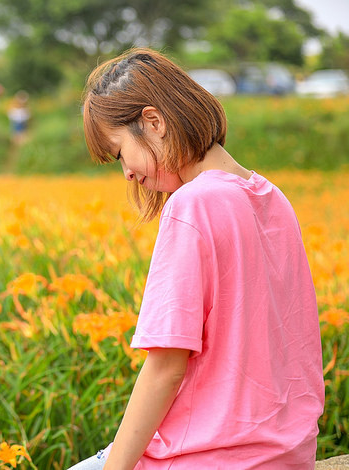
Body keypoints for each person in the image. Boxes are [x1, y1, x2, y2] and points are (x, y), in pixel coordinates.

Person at [70, 48, 324, 469]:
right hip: (287, 454)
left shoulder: (194, 205)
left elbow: (166, 368)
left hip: (209, 458)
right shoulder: (274, 199)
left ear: (153, 122)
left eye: (119, 153)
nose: (128, 174)